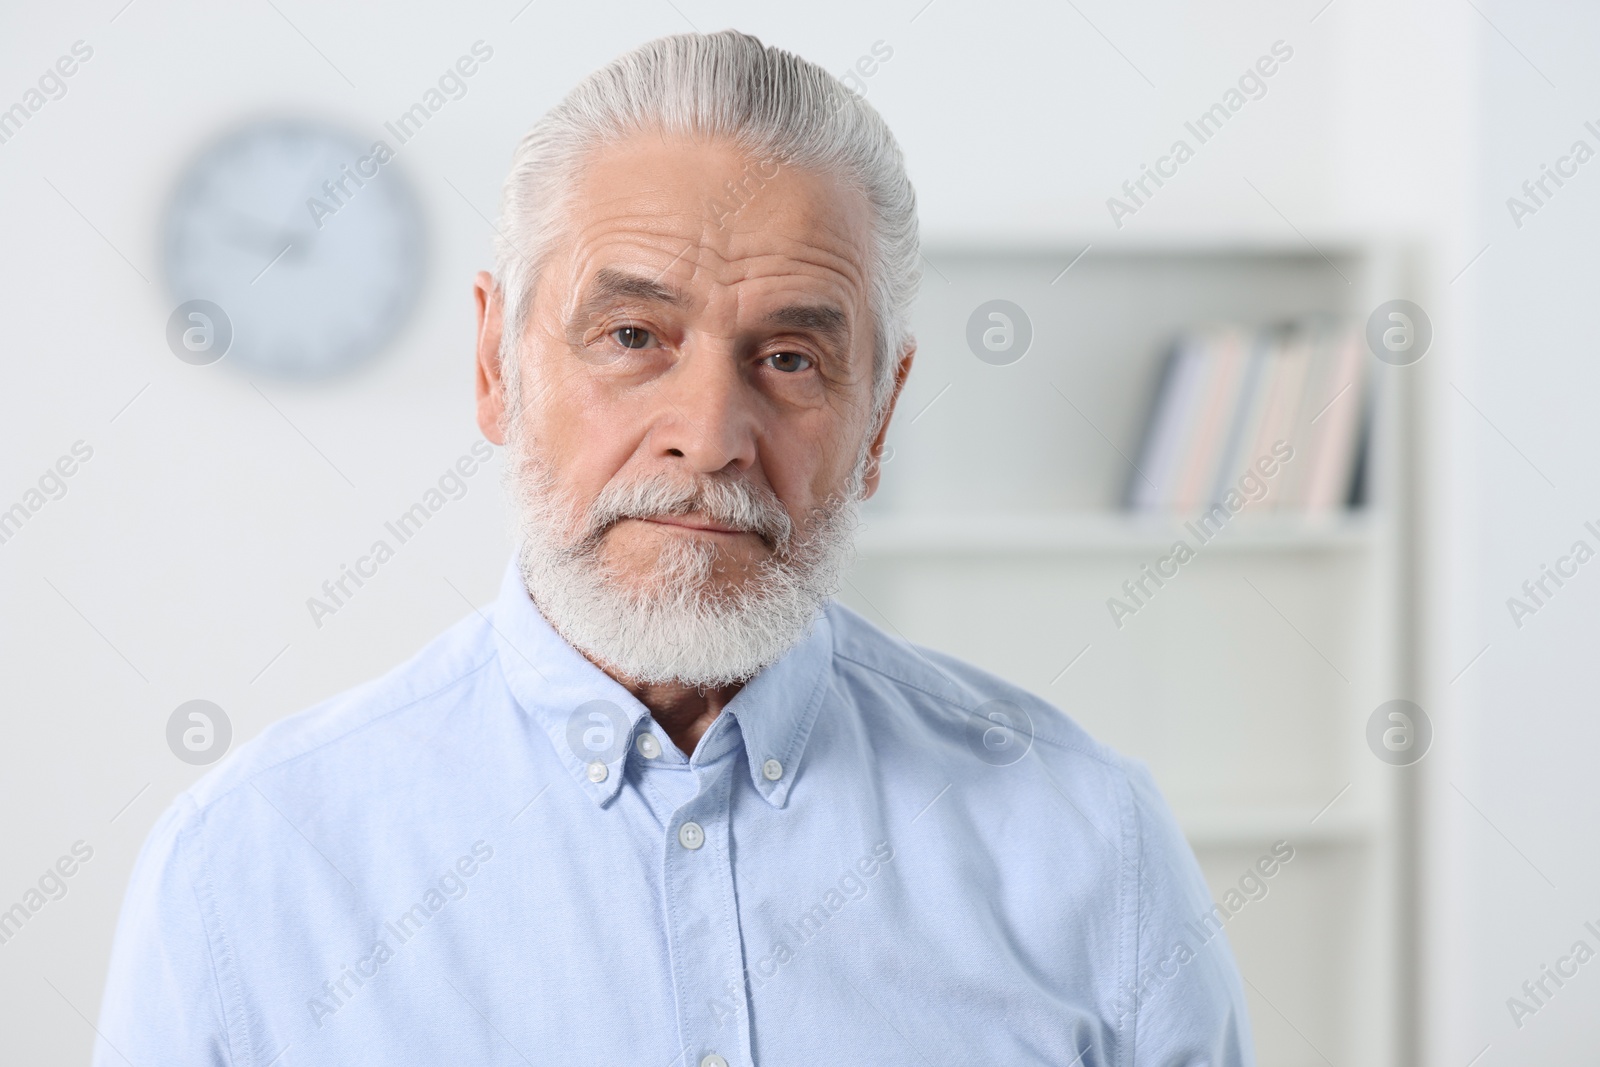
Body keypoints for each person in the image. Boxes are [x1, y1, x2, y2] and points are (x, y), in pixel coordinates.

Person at [98, 30, 1253, 1065]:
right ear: (497, 365)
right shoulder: (245, 871)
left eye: (791, 359)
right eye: (633, 335)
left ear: (880, 419)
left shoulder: (1089, 844)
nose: (709, 436)